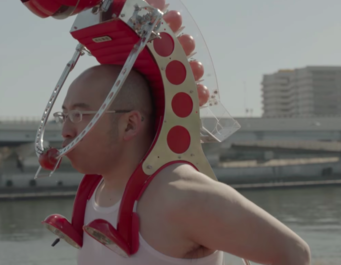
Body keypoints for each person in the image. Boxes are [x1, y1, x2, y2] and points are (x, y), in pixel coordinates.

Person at [57, 64, 311, 265]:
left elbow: (293, 253)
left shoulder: (180, 194)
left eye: (79, 115)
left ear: (130, 124)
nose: (66, 130)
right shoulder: (94, 191)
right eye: (64, 115)